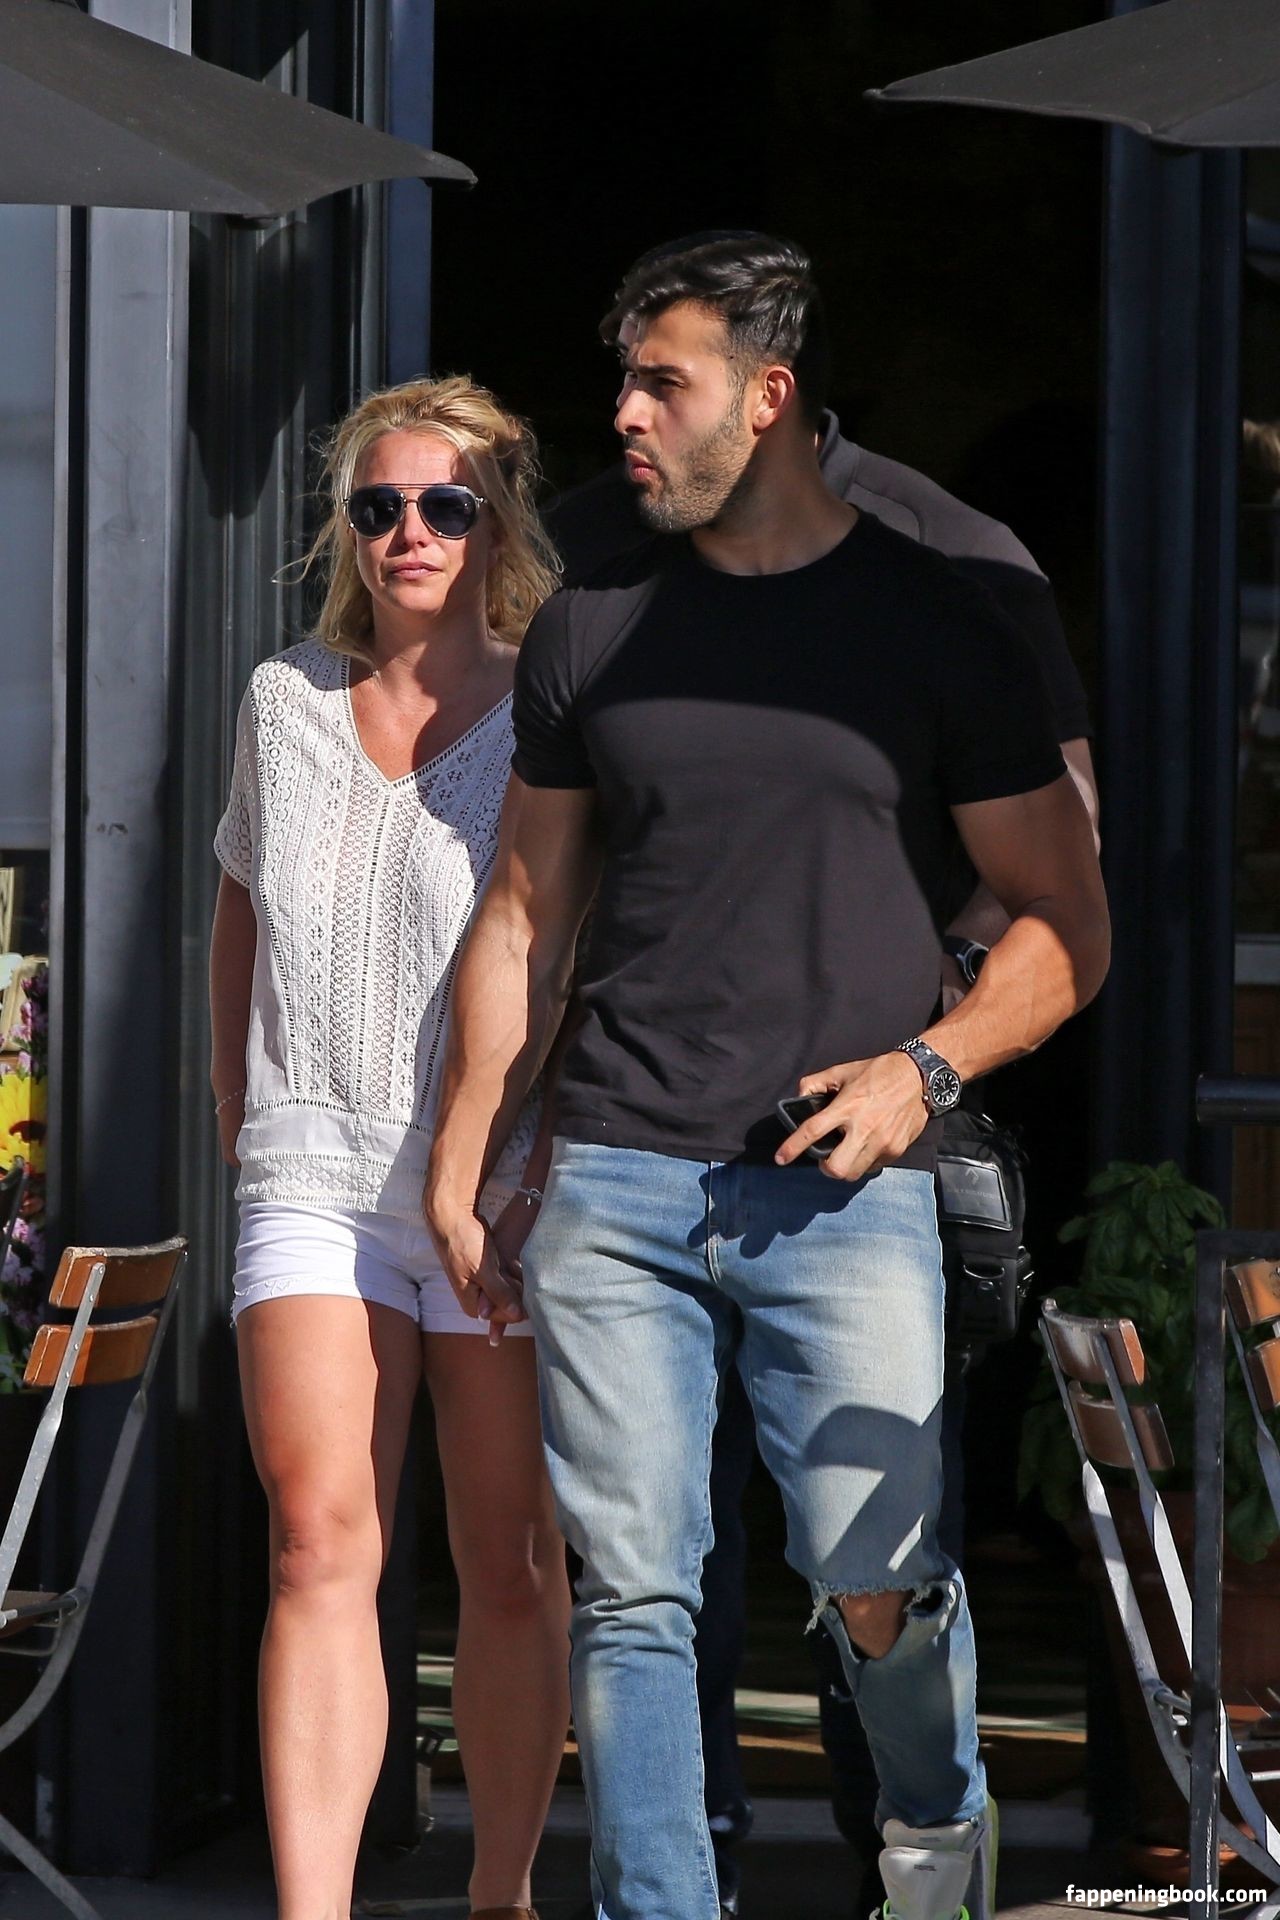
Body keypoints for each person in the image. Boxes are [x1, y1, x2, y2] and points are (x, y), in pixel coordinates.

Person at [424, 234, 1110, 1920]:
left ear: (770, 397)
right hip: (619, 1171)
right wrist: (466, 1145)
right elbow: (523, 911)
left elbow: (1066, 922)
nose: (624, 415)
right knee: (636, 1594)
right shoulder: (594, 618)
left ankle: (935, 1830)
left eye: (662, 383)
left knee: (877, 1581)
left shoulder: (942, 620)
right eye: (626, 380)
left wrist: (925, 1072)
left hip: (845, 1182)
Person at [209, 375, 569, 1920]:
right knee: (316, 1544)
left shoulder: (555, 710)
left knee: (509, 1555)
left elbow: (577, 950)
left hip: (496, 1181)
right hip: (312, 1174)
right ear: (347, 530)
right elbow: (236, 904)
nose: (409, 531)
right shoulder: (284, 704)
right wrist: (237, 1110)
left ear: (497, 522)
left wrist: (530, 1162)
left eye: (443, 504)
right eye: (379, 506)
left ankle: (499, 1894)